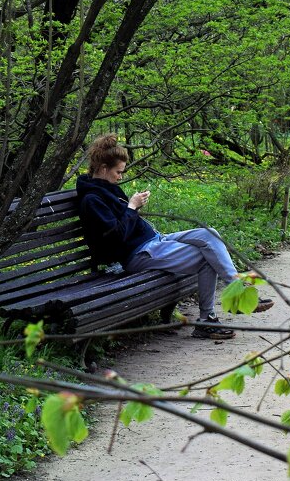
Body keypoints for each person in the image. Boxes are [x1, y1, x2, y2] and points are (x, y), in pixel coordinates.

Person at [75, 133, 273, 340]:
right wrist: (132, 207)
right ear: (104, 169)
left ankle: (234, 296)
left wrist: (133, 209)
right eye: (118, 172)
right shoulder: (92, 200)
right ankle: (214, 315)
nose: (121, 177)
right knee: (208, 257)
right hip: (139, 254)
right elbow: (116, 237)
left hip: (155, 242)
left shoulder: (107, 189)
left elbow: (126, 223)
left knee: (209, 234)